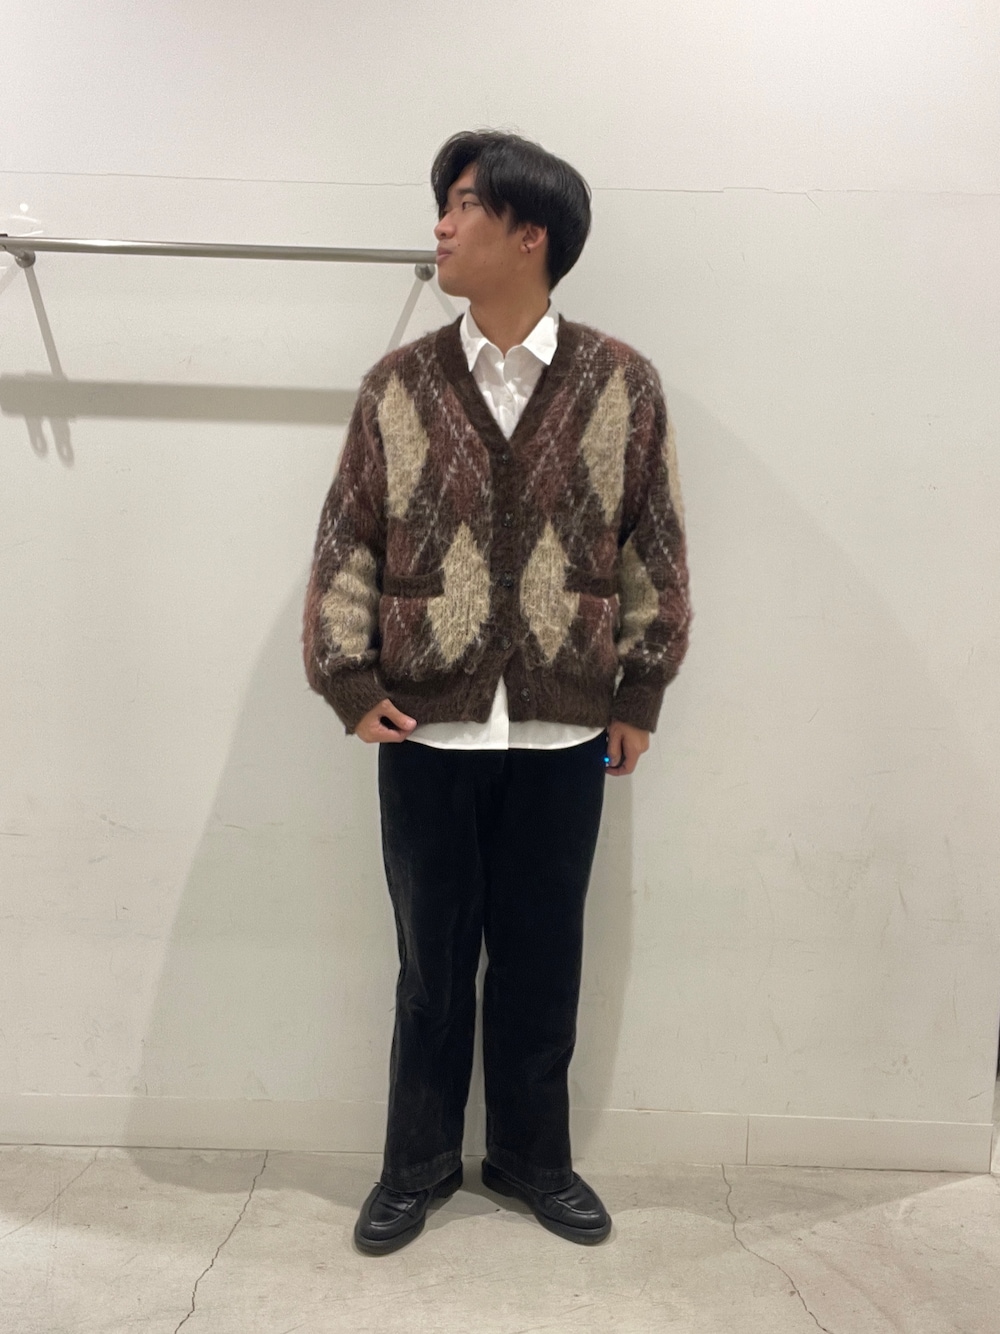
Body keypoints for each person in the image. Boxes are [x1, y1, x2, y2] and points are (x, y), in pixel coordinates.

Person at [302, 129, 691, 1254]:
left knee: (542, 961)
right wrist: (347, 677)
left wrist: (641, 690)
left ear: (532, 233)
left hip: (567, 731)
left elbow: (655, 549)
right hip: (424, 728)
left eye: (464, 203)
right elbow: (347, 543)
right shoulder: (398, 386)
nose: (441, 223)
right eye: (444, 202)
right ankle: (416, 1163)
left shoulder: (622, 384)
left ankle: (532, 1158)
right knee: (430, 967)